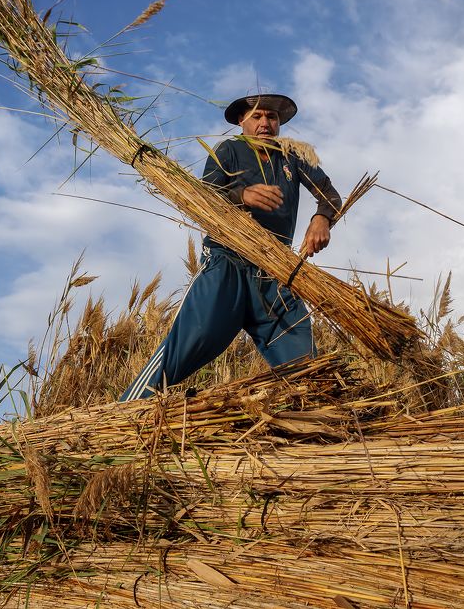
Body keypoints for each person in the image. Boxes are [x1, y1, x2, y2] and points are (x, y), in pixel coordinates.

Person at [118, 93, 342, 402]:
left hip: (276, 272)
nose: (265, 122)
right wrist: (242, 196)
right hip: (228, 260)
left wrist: (321, 220)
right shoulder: (229, 150)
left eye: (272, 117)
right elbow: (204, 199)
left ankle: (318, 417)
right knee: (192, 337)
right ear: (242, 121)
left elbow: (329, 193)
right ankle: (129, 409)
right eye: (257, 116)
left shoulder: (292, 155)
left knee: (303, 361)